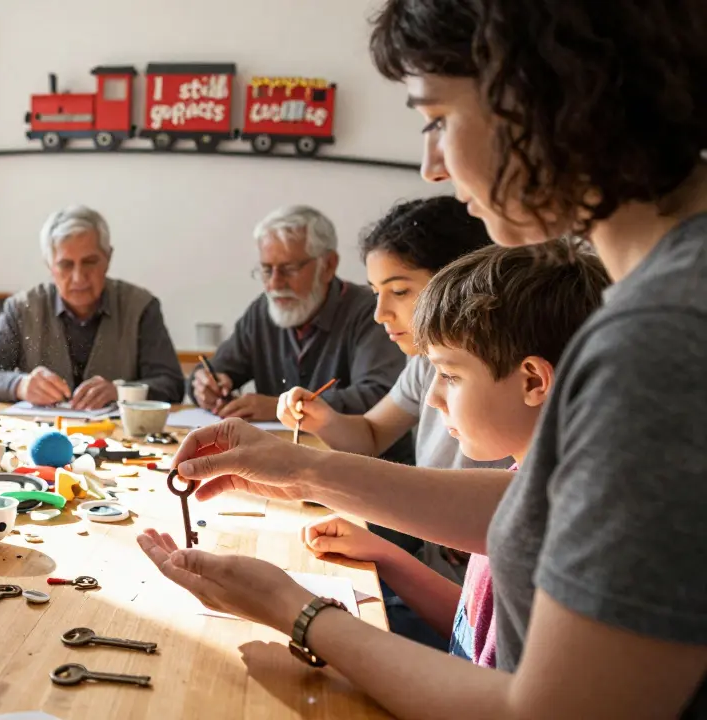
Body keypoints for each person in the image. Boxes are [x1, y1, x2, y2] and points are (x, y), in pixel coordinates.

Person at [140, 1, 707, 717]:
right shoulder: (667, 301)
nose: (431, 165)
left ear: (539, 90)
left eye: (436, 118)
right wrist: (301, 469)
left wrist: (296, 610)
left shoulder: (662, 337)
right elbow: (560, 513)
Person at [302, 240, 607, 668]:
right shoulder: (524, 480)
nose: (432, 398)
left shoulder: (552, 515)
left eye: (449, 375)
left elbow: (497, 689)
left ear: (534, 382)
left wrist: (304, 618)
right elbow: (476, 633)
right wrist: (386, 556)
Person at [279, 196, 510, 648]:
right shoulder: (425, 362)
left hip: (460, 616)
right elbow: (368, 434)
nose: (380, 313)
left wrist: (303, 472)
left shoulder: (503, 392)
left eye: (400, 291)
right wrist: (324, 420)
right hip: (443, 598)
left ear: (457, 283)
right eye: (375, 292)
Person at [190, 205, 409, 460]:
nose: (274, 284)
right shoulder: (264, 310)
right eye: (266, 269)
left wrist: (279, 408)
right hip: (286, 462)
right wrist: (206, 385)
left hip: (368, 469)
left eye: (289, 269)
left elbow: (377, 396)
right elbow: (216, 368)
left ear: (328, 265)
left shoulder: (371, 312)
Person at [0, 205, 184, 409]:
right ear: (49, 265)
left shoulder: (141, 306)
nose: (78, 278)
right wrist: (20, 385)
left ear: (108, 258)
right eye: (66, 265)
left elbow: (172, 384)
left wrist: (120, 391)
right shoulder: (21, 309)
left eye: (90, 262)